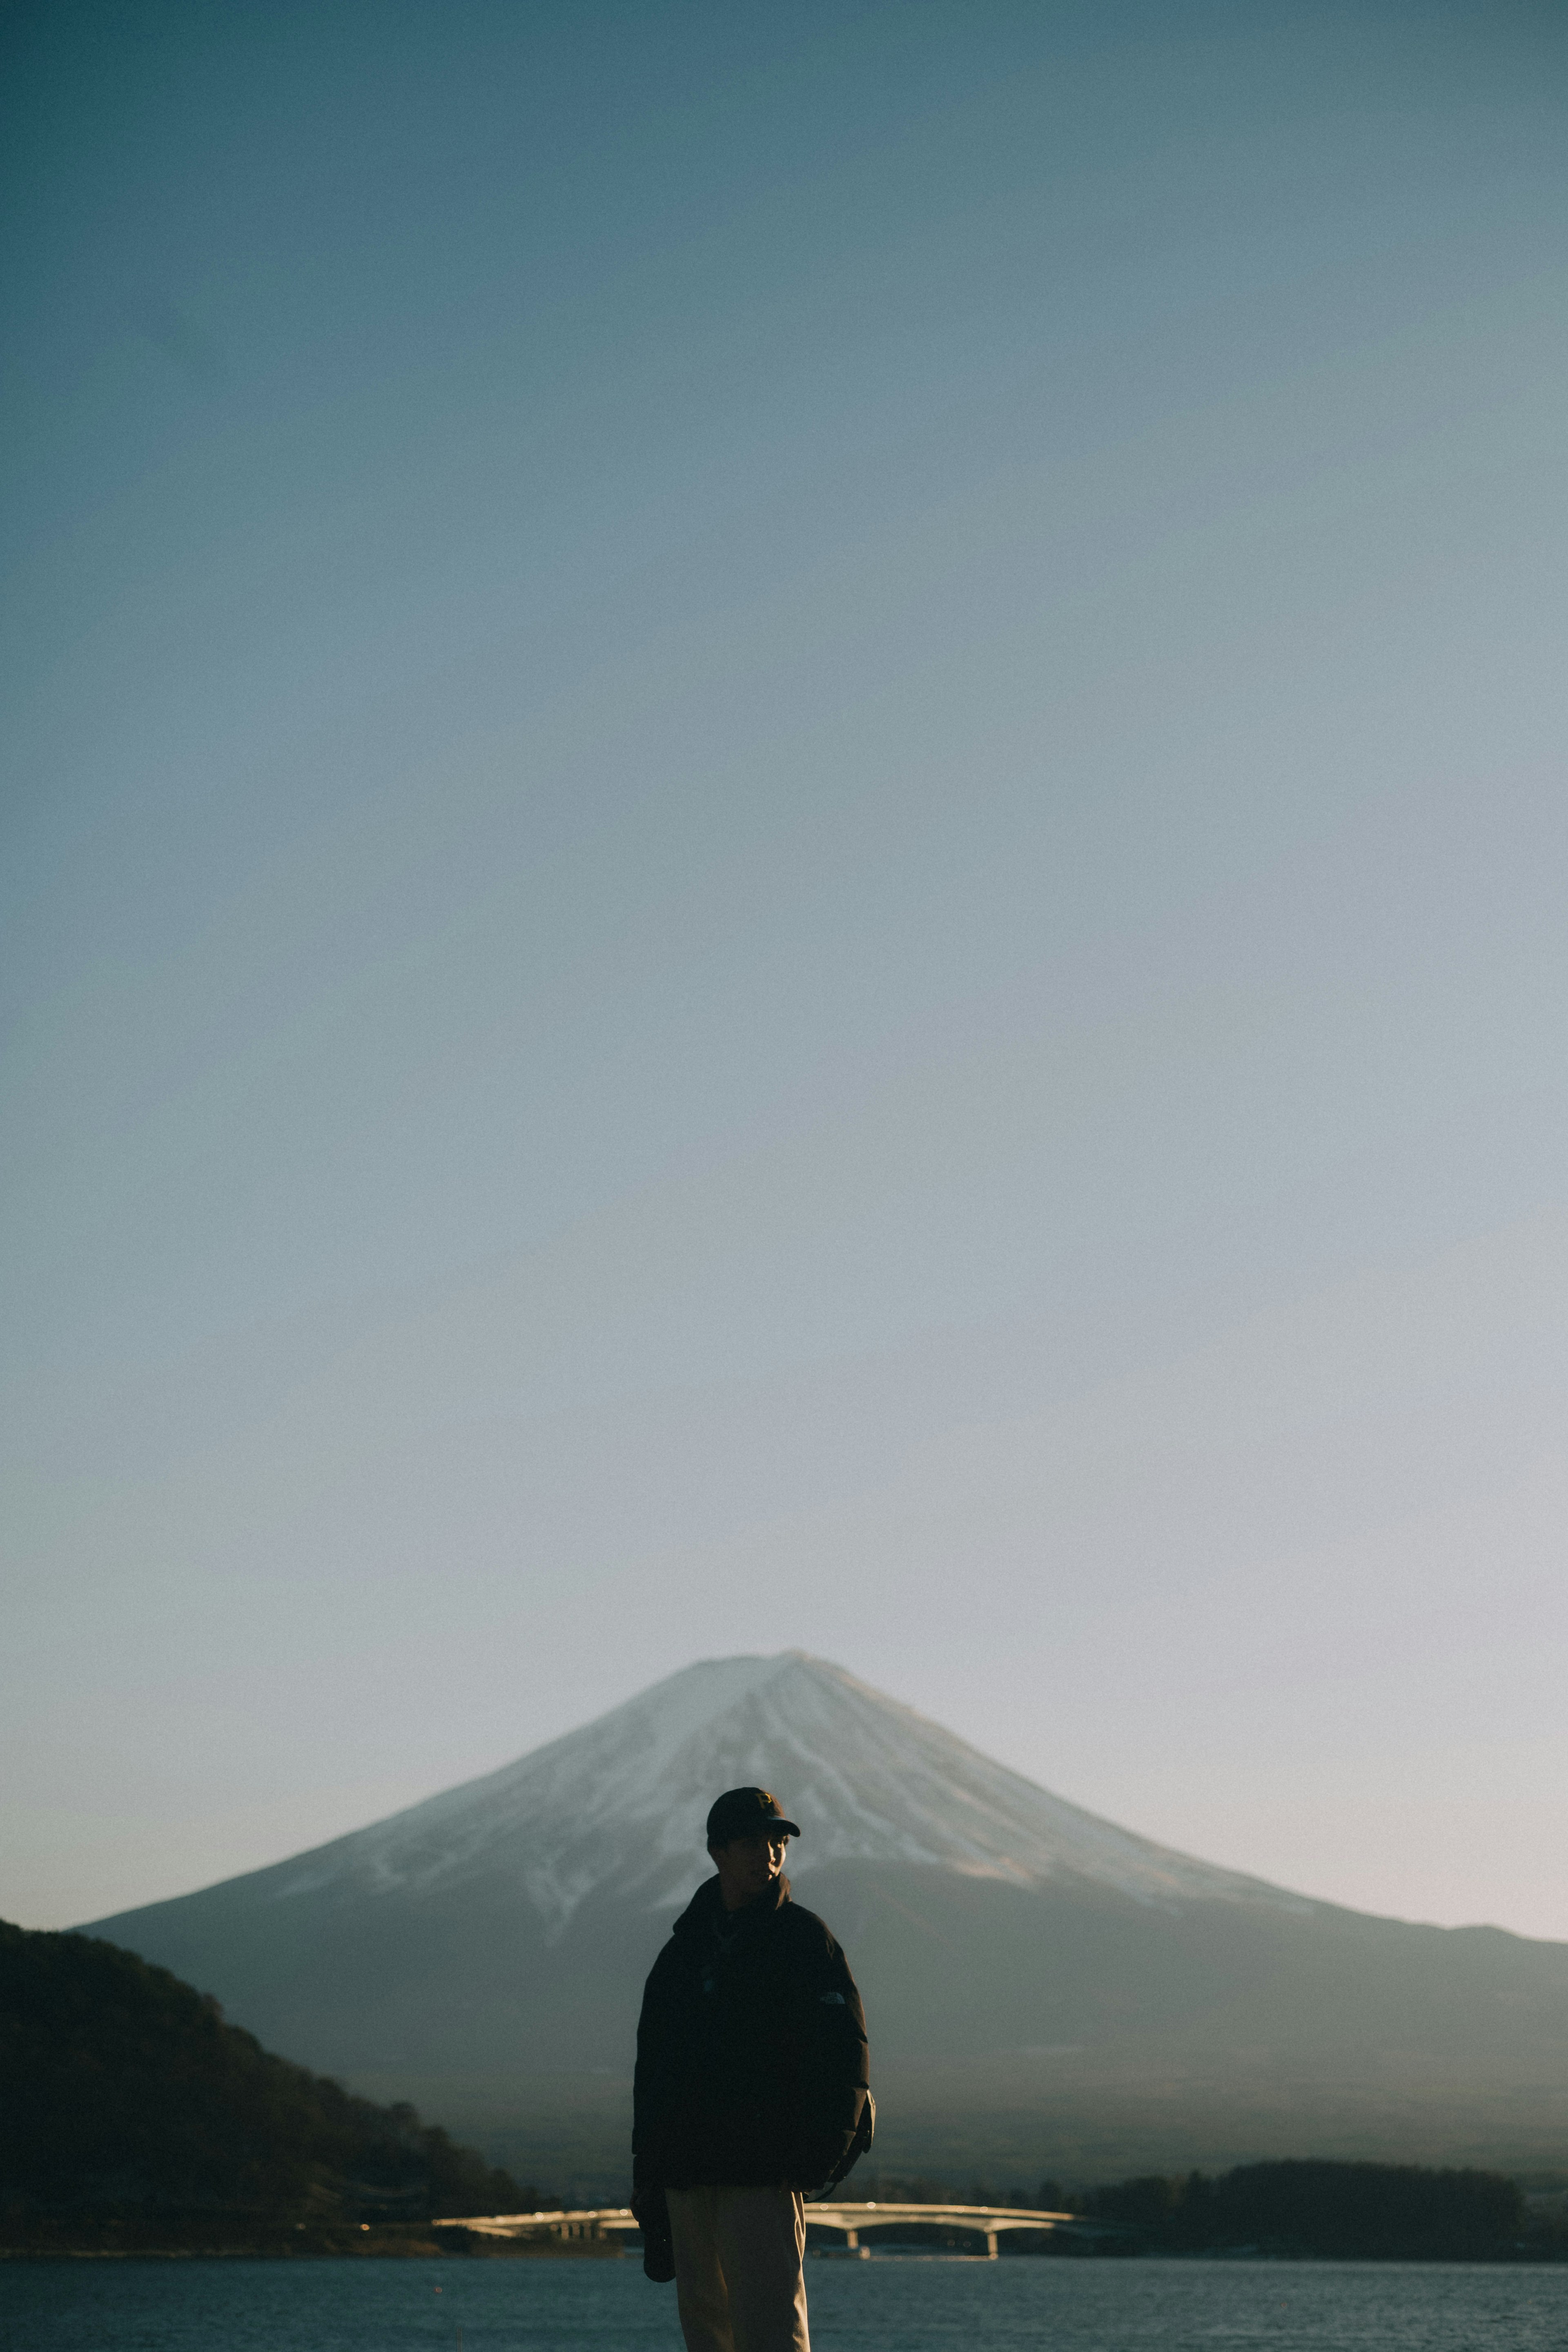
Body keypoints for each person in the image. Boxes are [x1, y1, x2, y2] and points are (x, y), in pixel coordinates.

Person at [632, 1786, 871, 2352]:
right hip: (688, 2178)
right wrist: (649, 2175)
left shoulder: (804, 1940)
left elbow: (845, 2058)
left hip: (766, 2174)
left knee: (771, 2331)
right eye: (752, 1843)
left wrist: (816, 2159)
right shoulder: (683, 1951)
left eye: (777, 1842)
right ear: (718, 1852)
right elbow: (655, 2071)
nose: (769, 1854)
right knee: (707, 2331)